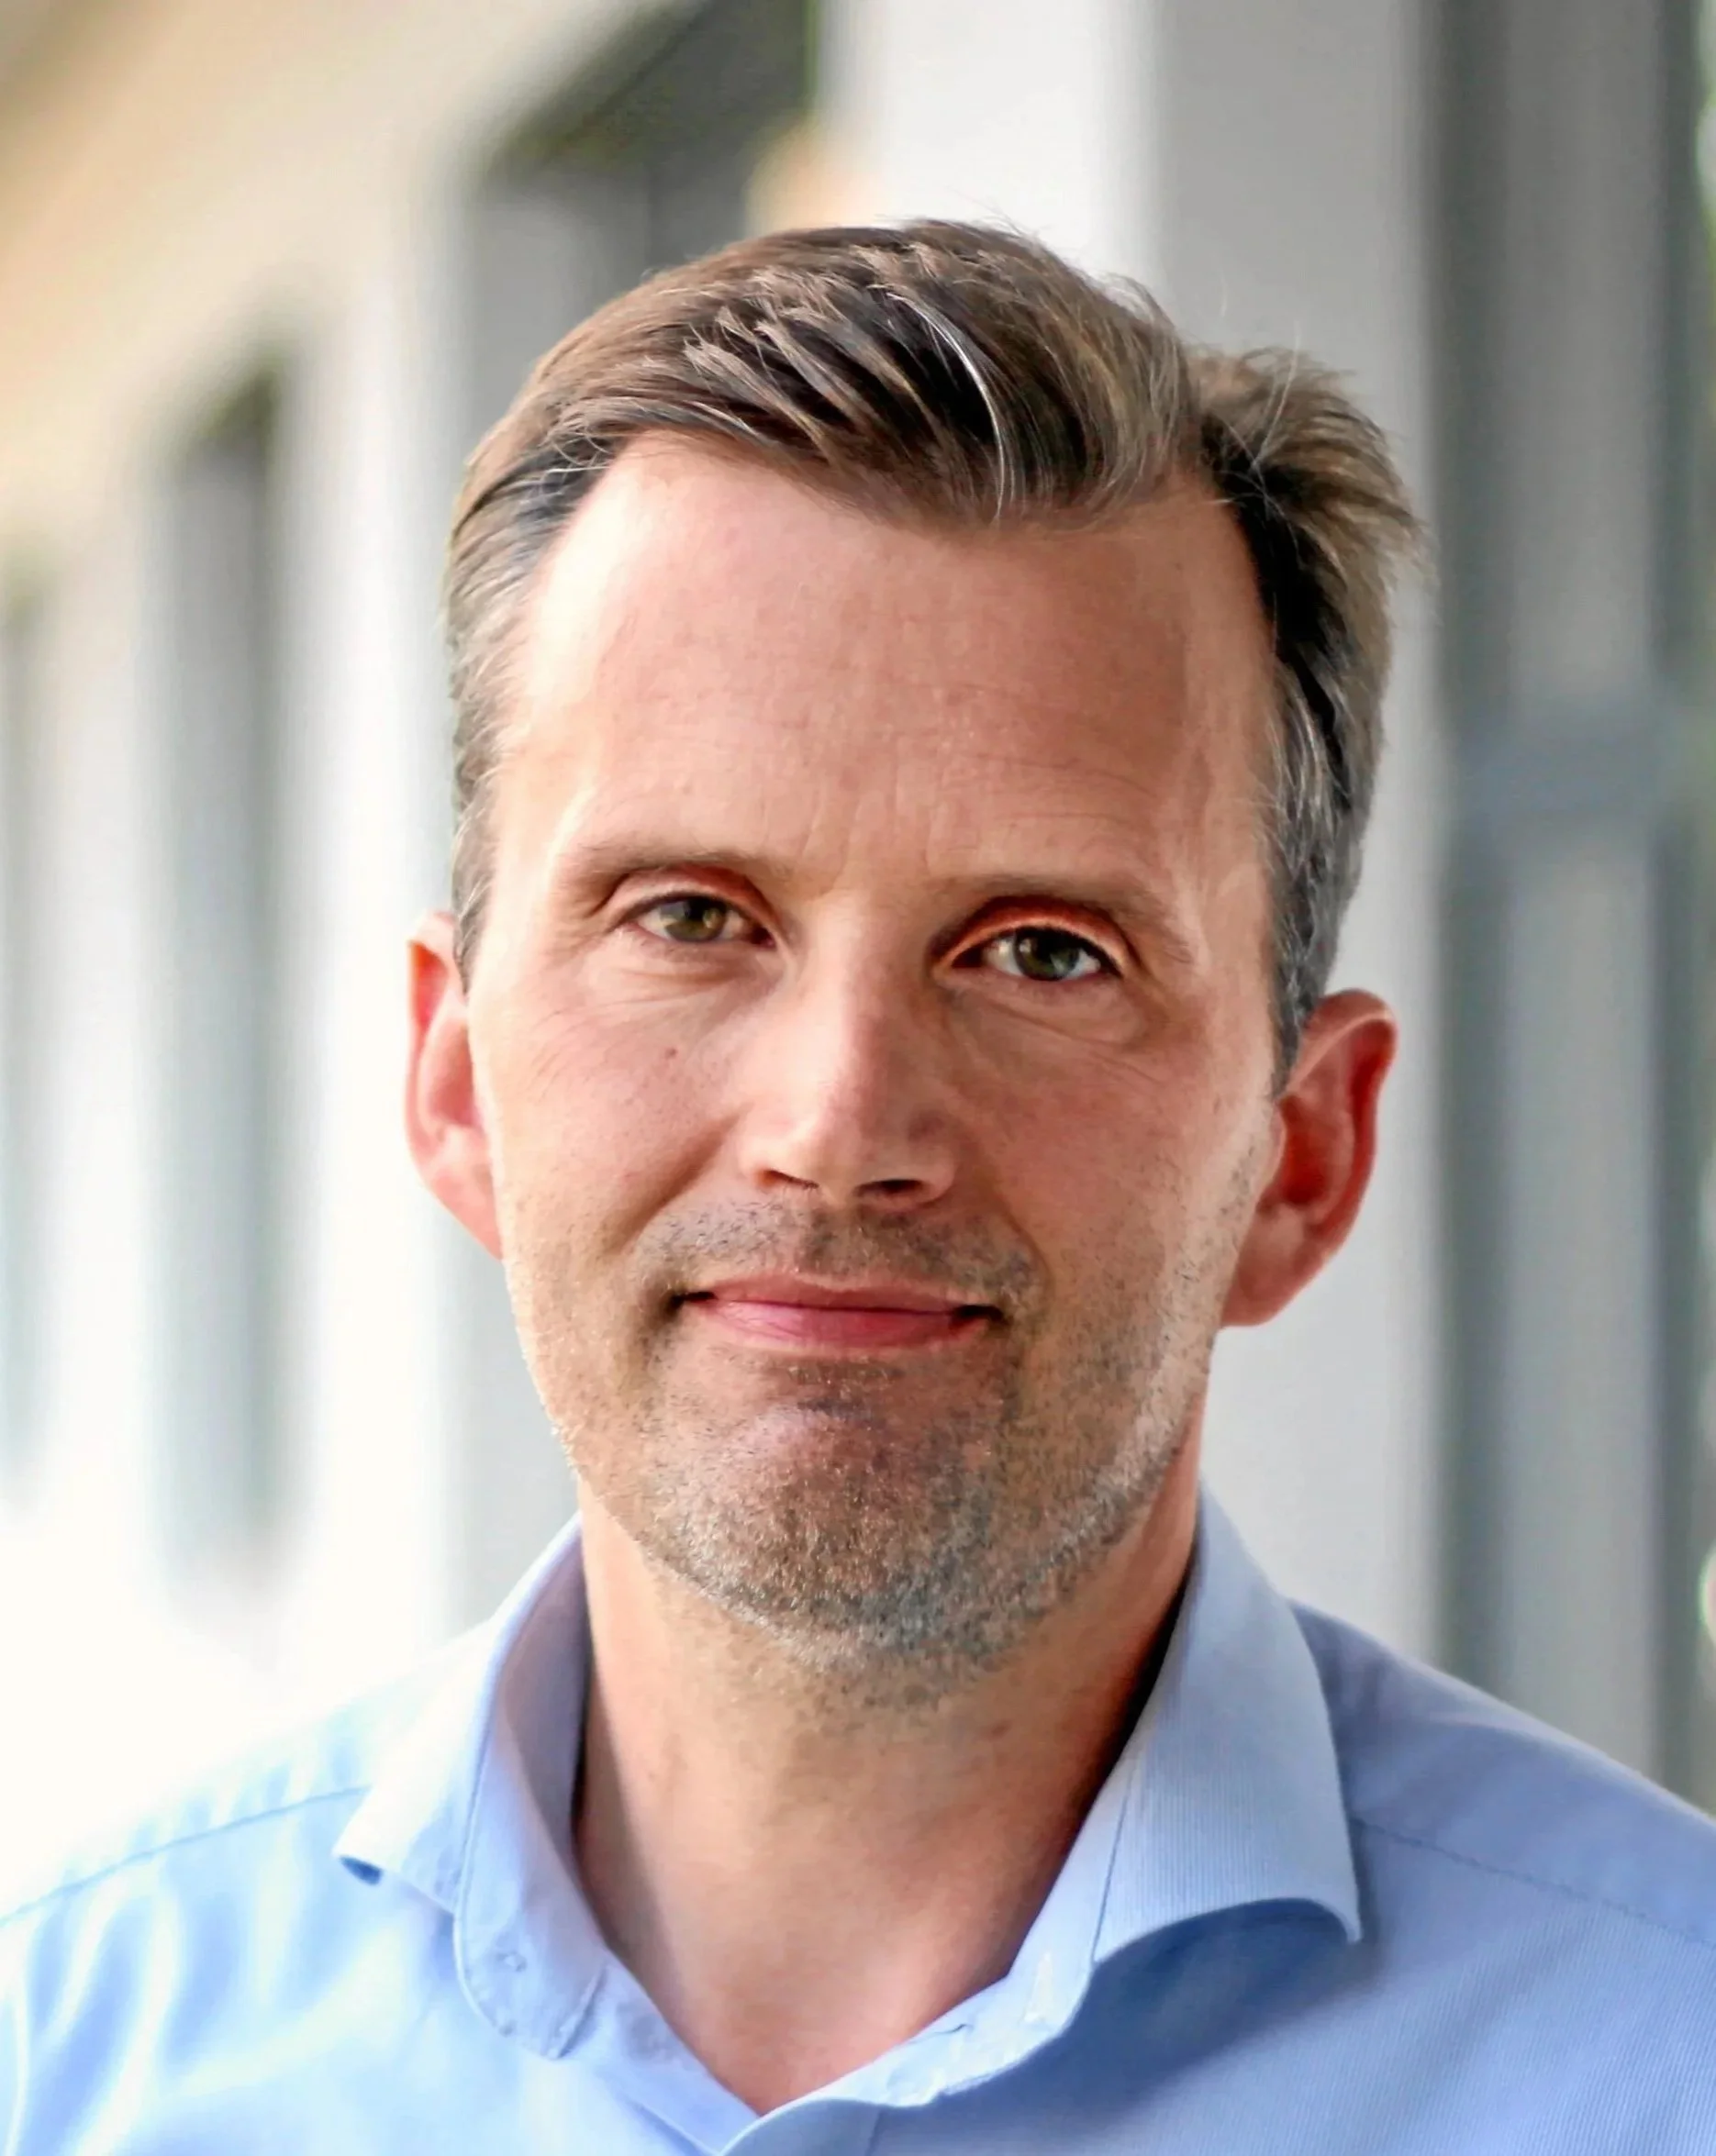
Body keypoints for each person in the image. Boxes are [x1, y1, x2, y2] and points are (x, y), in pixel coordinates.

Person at [5, 220, 1714, 2154]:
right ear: (456, 1070)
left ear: (1297, 1151)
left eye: (1041, 948)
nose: (839, 1118)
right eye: (690, 916)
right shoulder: (61, 2061)